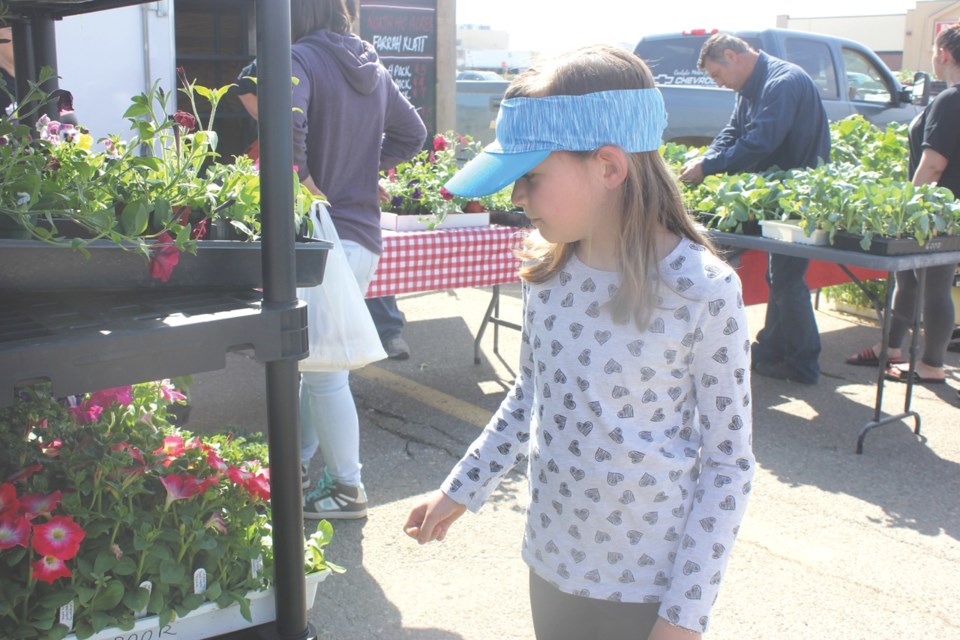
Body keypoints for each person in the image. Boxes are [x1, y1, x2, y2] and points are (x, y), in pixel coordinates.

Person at [404, 44, 754, 640]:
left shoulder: (702, 290)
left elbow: (729, 463)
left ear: (610, 167)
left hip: (647, 585)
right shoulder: (549, 276)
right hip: (552, 562)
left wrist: (684, 615)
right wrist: (462, 487)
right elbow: (529, 395)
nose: (516, 196)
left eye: (531, 177)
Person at [238, 0, 426, 518]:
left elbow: (286, 127)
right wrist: (368, 169)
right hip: (362, 235)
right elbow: (414, 135)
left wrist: (301, 179)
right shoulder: (372, 65)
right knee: (319, 363)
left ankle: (347, 488)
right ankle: (295, 466)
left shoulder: (297, 57)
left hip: (320, 237)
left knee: (324, 372)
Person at [679, 33, 830, 385]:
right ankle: (771, 351)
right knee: (779, 276)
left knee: (789, 278)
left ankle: (804, 364)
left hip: (799, 195)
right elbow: (733, 132)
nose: (718, 83)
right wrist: (704, 159)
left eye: (717, 74)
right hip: (779, 195)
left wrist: (710, 168)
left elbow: (761, 142)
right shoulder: (749, 88)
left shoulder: (783, 82)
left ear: (732, 56)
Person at [846, 24, 960, 388]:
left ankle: (931, 365)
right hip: (949, 210)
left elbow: (933, 165)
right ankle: (891, 347)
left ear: (943, 54)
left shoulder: (950, 99)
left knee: (935, 284)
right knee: (907, 278)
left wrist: (905, 213)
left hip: (937, 212)